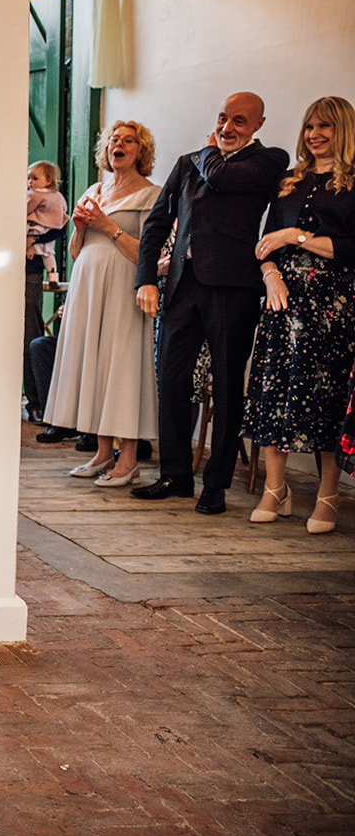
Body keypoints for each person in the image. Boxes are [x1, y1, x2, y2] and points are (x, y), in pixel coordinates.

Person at [132, 92, 290, 514]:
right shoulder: (187, 164)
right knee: (172, 381)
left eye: (239, 120)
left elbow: (221, 178)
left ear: (257, 124)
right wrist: (145, 279)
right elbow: (157, 223)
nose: (227, 127)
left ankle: (216, 484)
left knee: (225, 385)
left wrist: (206, 149)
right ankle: (176, 474)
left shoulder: (269, 160)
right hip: (182, 288)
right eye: (222, 117)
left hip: (233, 289)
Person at [243, 97, 355, 534]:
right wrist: (270, 274)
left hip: (333, 308)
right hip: (282, 302)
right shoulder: (289, 180)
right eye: (310, 126)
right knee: (274, 391)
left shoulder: (352, 183)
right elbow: (265, 242)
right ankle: (276, 489)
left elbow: (349, 249)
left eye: (325, 126)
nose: (315, 134)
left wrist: (297, 235)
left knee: (326, 399)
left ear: (342, 130)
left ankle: (328, 495)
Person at [44, 122, 162, 487]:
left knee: (121, 364)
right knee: (93, 363)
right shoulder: (95, 189)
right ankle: (101, 452)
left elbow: (147, 253)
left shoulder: (151, 195)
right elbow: (75, 252)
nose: (119, 145)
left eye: (128, 140)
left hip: (124, 288)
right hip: (87, 286)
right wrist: (80, 227)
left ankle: (128, 461)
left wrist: (107, 225)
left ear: (141, 151)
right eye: (114, 139)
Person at [24, 161, 69, 422]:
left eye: (34, 177)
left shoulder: (51, 199)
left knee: (31, 331)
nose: (30, 181)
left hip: (30, 268)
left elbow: (61, 227)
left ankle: (37, 400)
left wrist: (34, 239)